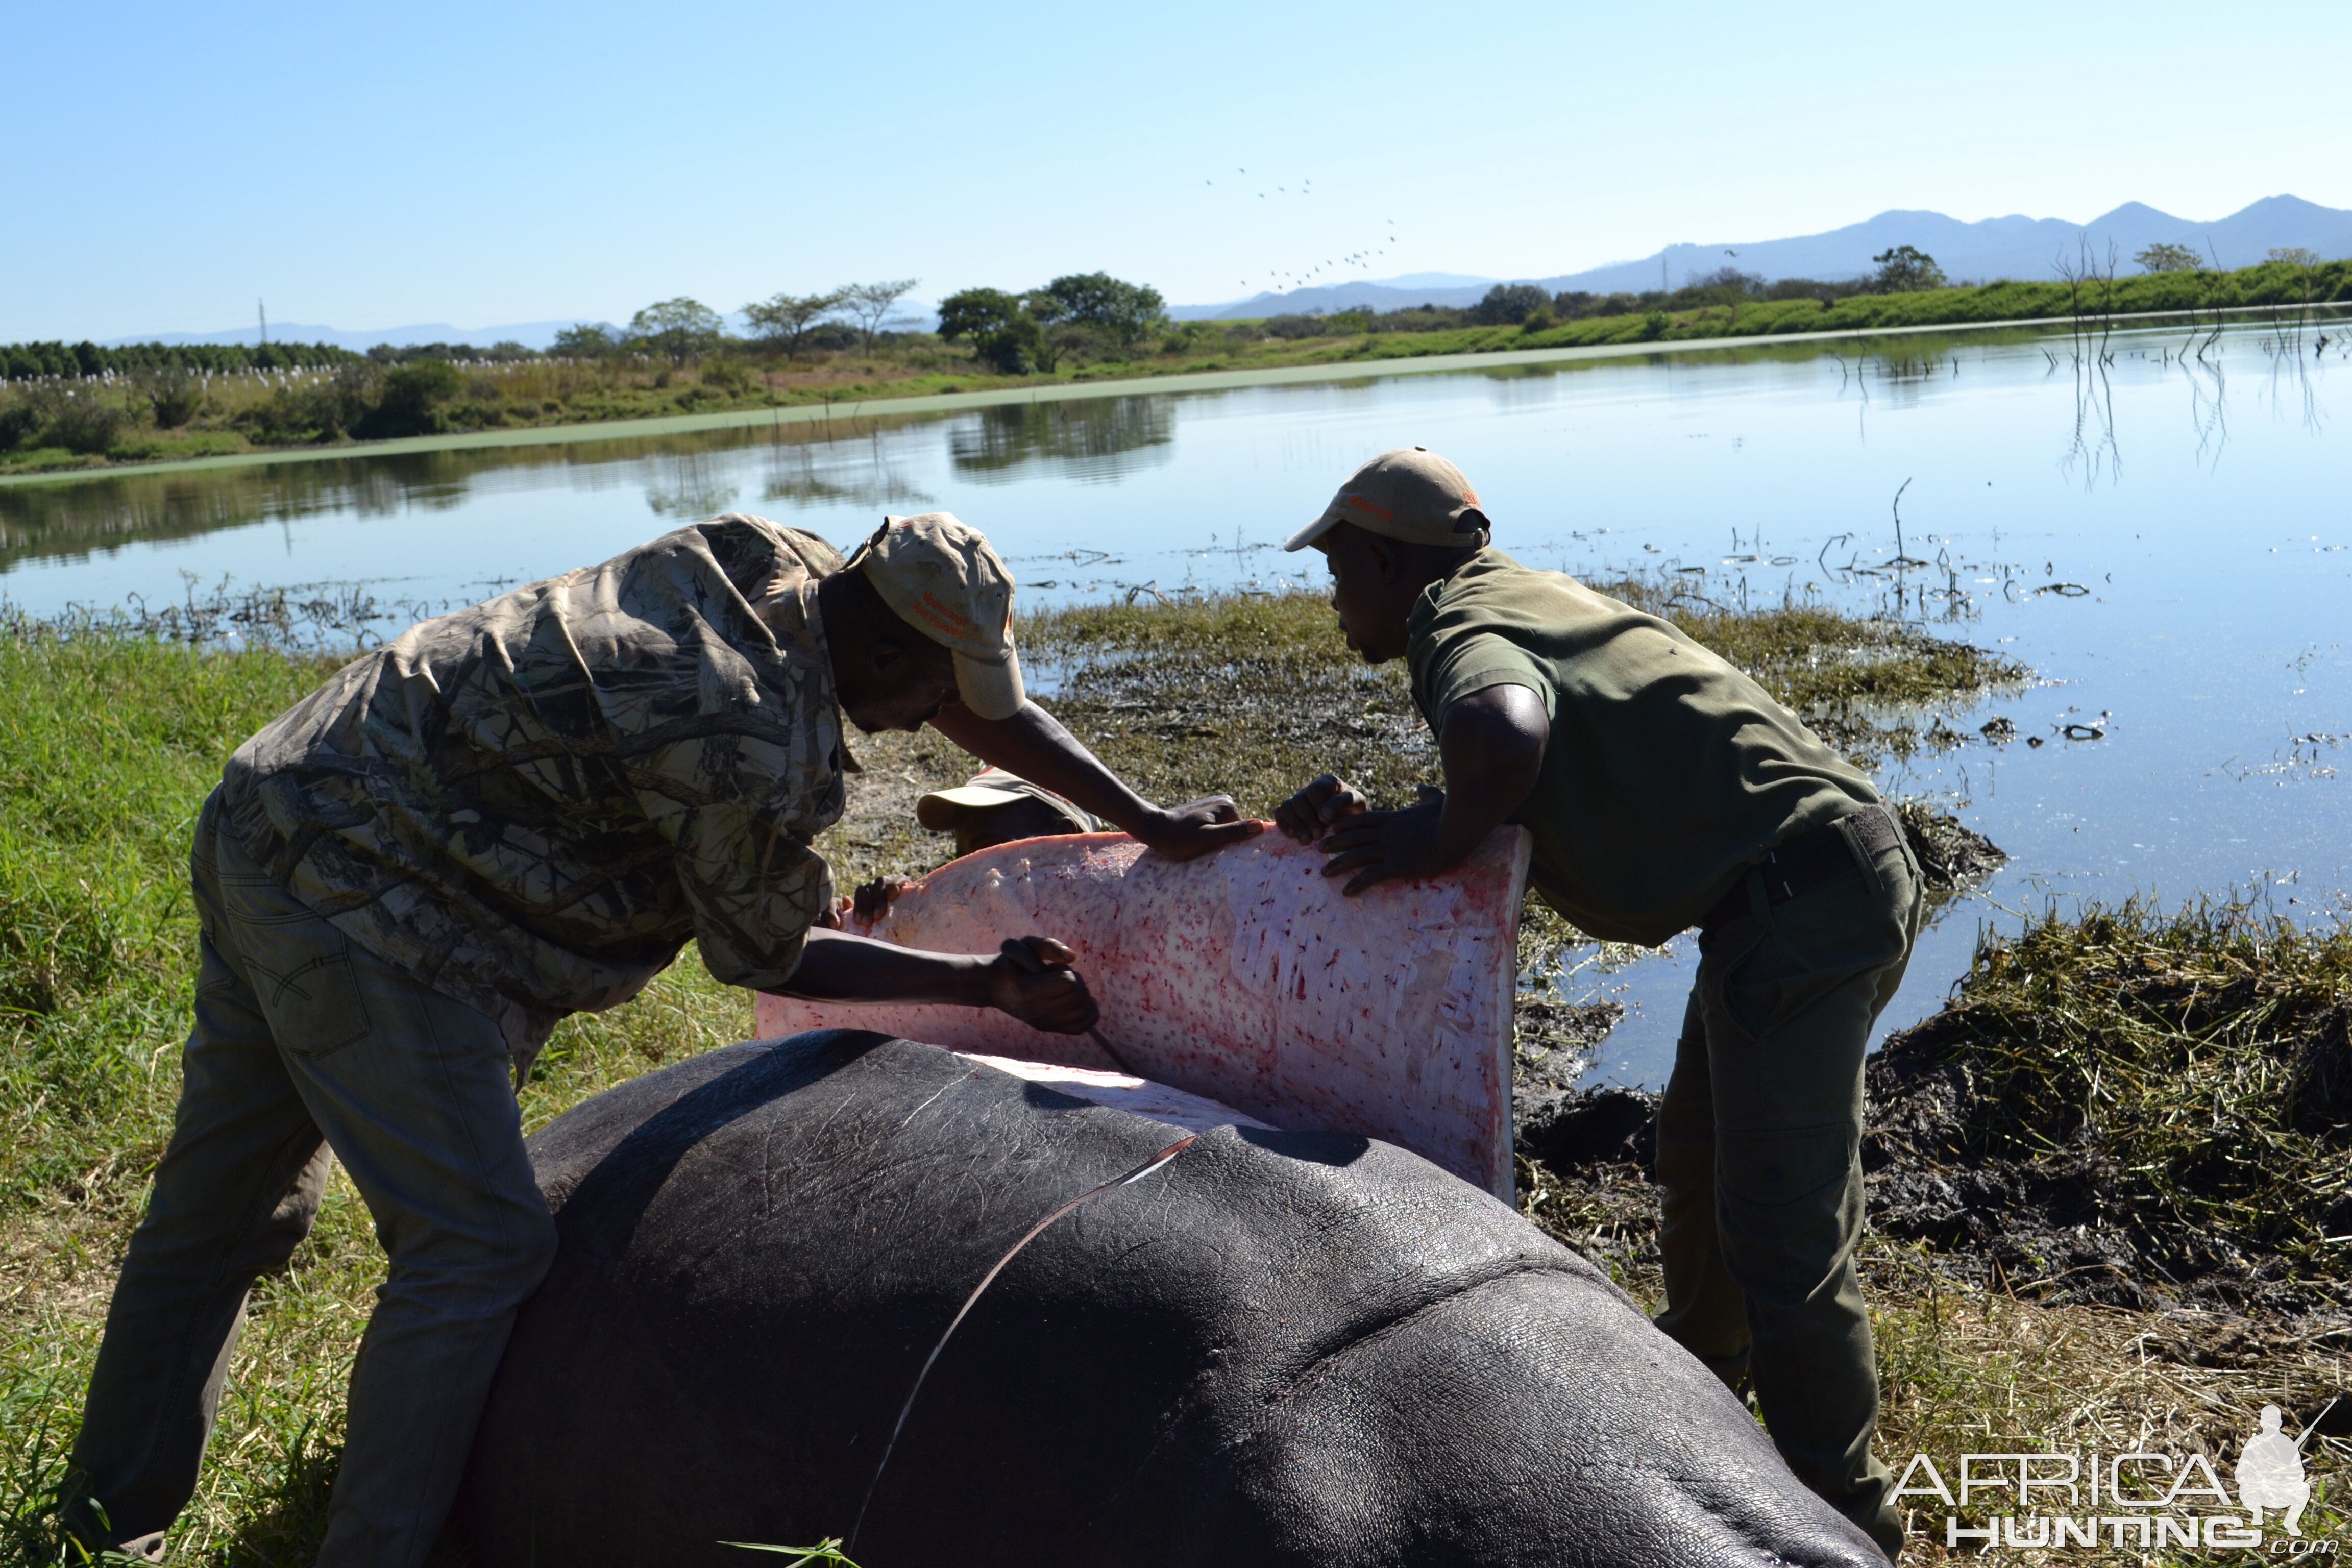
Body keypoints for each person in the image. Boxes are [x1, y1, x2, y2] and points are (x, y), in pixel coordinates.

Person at [59, 511, 1257, 1566]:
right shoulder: (736, 722)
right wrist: (986, 983)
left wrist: (1139, 815)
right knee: (474, 1246)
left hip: (279, 800)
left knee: (222, 1217)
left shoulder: (779, 564)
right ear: (886, 652)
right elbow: (769, 951)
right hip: (371, 904)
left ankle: (106, 1526)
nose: (937, 734)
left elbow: (975, 707)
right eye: (934, 703)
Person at [1269, 449, 1921, 1557]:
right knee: (1699, 1164)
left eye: (1339, 576)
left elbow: (1506, 734)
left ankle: (1849, 1529)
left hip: (1800, 901)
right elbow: (1538, 756)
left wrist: (1434, 835)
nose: (1337, 604)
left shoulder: (1453, 627)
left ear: (1385, 558)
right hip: (1797, 890)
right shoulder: (1512, 593)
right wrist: (1418, 815)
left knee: (1781, 1231)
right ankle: (1701, 1415)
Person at [842, 766, 1102, 922]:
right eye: (960, 859)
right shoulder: (962, 929)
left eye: (990, 850)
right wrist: (874, 925)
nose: (967, 877)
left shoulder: (1127, 927)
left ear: (1064, 839)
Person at [2236, 1405, 2311, 1534]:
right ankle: (2257, 1517)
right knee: (2245, 1489)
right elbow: (2240, 1473)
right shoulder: (2254, 1443)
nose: (2271, 1425)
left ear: (2280, 1423)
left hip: (2282, 1491)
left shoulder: (2287, 1443)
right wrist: (2259, 1478)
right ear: (2262, 1422)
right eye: (2267, 1421)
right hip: (2259, 1491)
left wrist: (2285, 1475)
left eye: (2274, 1421)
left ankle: (2291, 1522)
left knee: (2305, 1488)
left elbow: (2300, 1474)